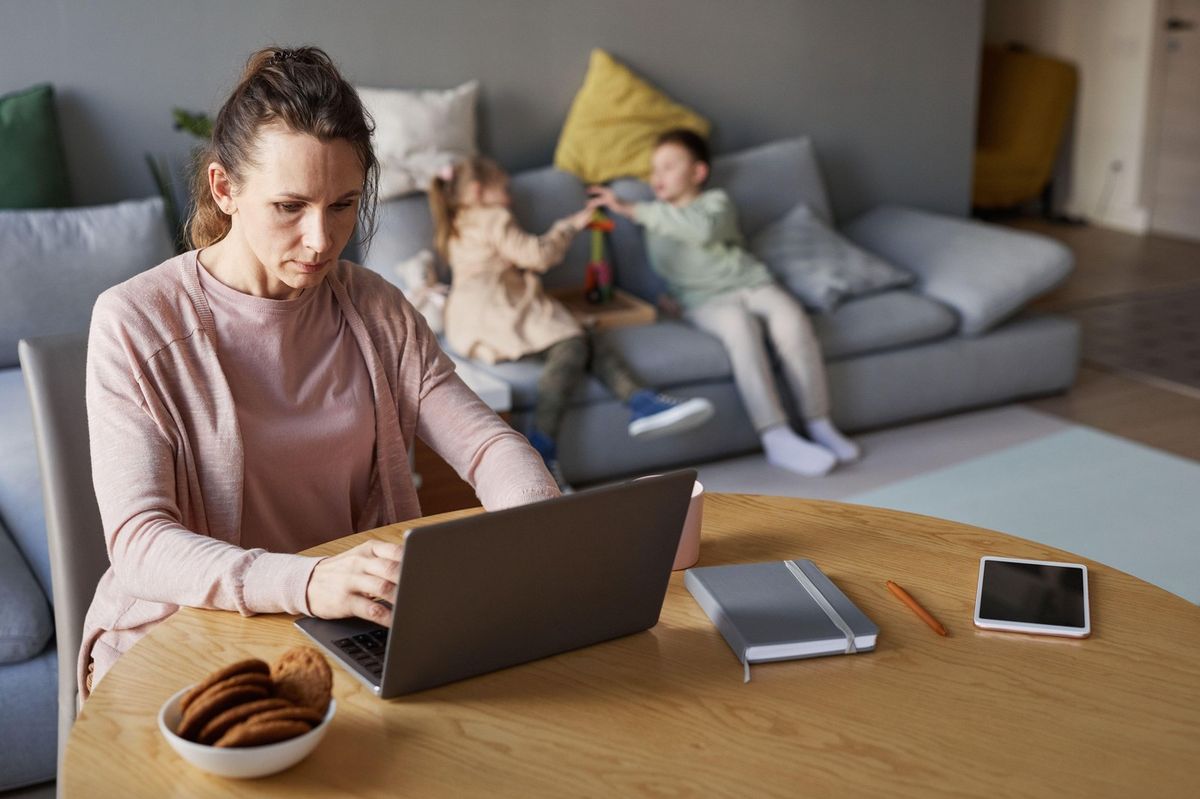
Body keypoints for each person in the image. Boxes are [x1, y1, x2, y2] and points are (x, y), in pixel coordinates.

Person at [79, 46, 561, 700]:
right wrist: (309, 580)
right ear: (225, 188)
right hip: (181, 637)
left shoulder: (375, 307)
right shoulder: (137, 321)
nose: (320, 240)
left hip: (344, 628)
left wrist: (537, 527)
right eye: (289, 206)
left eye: (342, 205)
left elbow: (486, 444)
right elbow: (140, 544)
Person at [430, 156, 715, 489]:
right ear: (479, 191)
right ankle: (543, 446)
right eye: (503, 188)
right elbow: (537, 255)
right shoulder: (494, 217)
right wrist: (569, 226)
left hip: (469, 318)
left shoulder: (457, 221)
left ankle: (642, 402)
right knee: (572, 343)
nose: (509, 196)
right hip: (498, 311)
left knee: (582, 336)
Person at [590, 129, 860, 476]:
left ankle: (818, 420)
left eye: (669, 166)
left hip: (753, 283)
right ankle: (775, 433)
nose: (657, 176)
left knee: (792, 322)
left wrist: (631, 208)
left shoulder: (716, 203)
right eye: (654, 169)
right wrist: (670, 296)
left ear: (698, 173)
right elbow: (672, 265)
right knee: (740, 330)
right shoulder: (654, 218)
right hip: (706, 301)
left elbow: (700, 231)